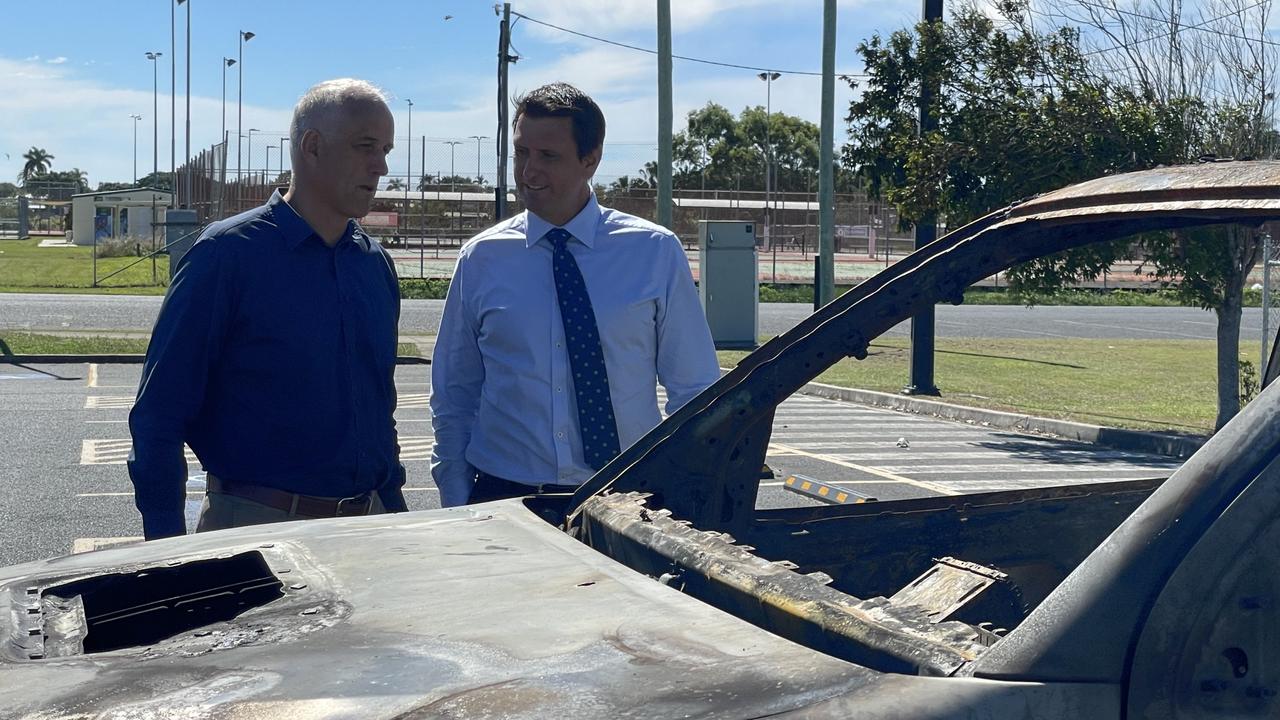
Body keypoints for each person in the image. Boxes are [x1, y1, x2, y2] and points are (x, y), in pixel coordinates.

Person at [128, 78, 407, 540]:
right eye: (365, 147)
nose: (380, 166)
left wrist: (394, 511)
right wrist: (164, 549)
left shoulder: (373, 265)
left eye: (386, 150)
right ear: (312, 147)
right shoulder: (227, 255)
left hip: (370, 528)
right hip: (256, 527)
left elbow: (380, 407)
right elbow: (159, 414)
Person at [430, 82, 720, 506]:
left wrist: (687, 494)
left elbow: (693, 388)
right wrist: (456, 499)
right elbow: (454, 391)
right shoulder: (482, 258)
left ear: (591, 159)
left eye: (548, 156)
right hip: (504, 500)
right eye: (521, 153)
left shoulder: (653, 252)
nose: (529, 171)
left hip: (629, 497)